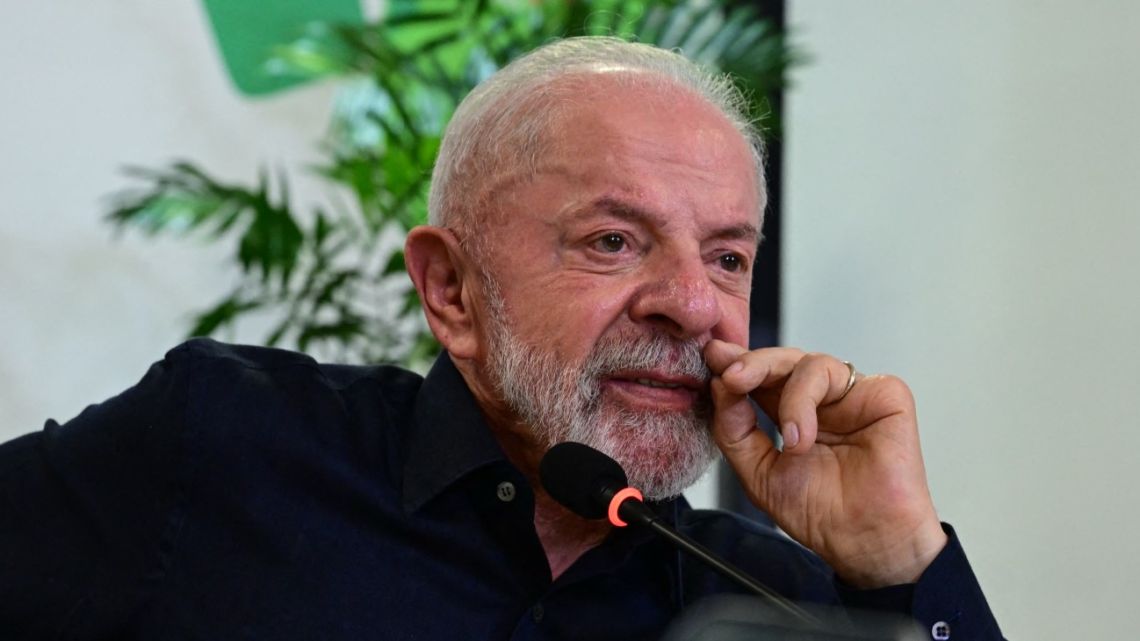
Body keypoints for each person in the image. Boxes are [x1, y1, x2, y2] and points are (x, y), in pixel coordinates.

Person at [0, 37, 1003, 640]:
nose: (694, 306)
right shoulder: (223, 447)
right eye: (615, 240)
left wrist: (898, 553)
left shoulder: (770, 600)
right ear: (451, 290)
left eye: (729, 258)